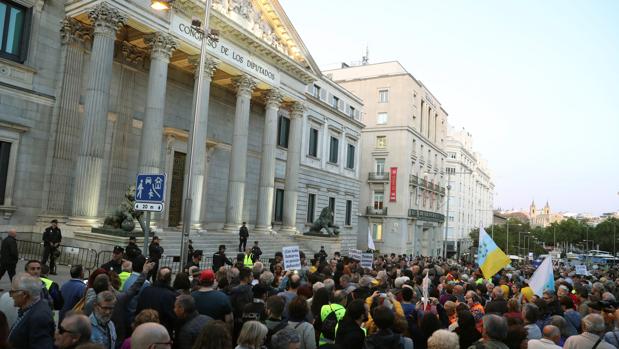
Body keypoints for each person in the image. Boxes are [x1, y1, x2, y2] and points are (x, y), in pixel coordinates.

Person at [7, 273, 55, 348]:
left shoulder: (39, 317)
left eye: (12, 292)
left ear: (24, 294)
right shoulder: (30, 309)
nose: (11, 296)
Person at [136, 267, 177, 335]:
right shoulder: (170, 295)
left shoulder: (146, 290)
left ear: (157, 277)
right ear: (169, 279)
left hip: (143, 328)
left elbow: (138, 308)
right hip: (161, 331)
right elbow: (172, 317)